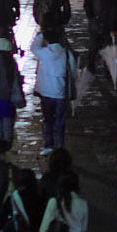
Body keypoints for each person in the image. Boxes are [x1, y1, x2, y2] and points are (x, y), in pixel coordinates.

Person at [30, 25, 76, 153]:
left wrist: (41, 34)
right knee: (60, 120)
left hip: (45, 92)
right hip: (60, 92)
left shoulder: (44, 53)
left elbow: (33, 47)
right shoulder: (67, 54)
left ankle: (48, 145)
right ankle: (60, 146)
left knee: (48, 120)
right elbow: (73, 72)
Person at [83, 0, 117, 77]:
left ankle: (107, 70)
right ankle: (91, 67)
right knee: (93, 47)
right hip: (95, 24)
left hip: (108, 25)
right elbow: (87, 5)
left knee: (107, 47)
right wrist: (92, 18)